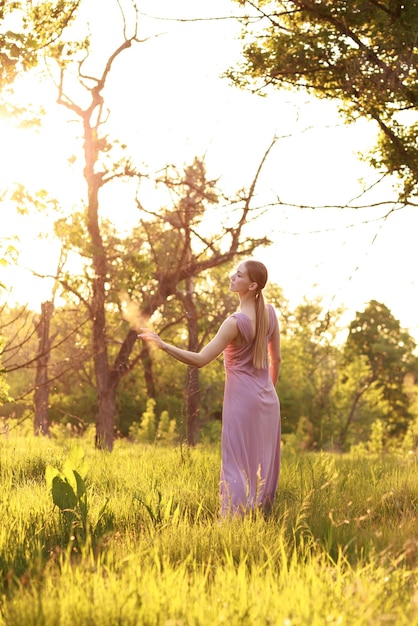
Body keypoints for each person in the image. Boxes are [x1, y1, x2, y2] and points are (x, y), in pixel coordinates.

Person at [138, 259, 281, 516]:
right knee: (262, 464)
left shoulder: (234, 323)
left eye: (238, 275)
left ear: (252, 285)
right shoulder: (270, 313)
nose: (232, 277)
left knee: (236, 463)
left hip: (241, 404)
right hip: (268, 401)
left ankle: (232, 521)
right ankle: (260, 516)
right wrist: (266, 393)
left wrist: (164, 345)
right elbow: (277, 359)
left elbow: (201, 359)